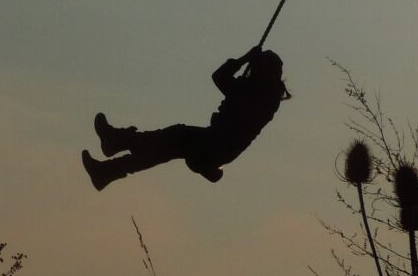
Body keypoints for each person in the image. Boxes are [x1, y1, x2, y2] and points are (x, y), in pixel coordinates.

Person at [82, 47, 289, 189]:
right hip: (215, 147)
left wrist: (245, 58)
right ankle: (107, 169)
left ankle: (117, 143)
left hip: (215, 147)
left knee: (174, 137)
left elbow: (220, 78)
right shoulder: (260, 95)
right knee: (163, 148)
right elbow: (221, 79)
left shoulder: (260, 97)